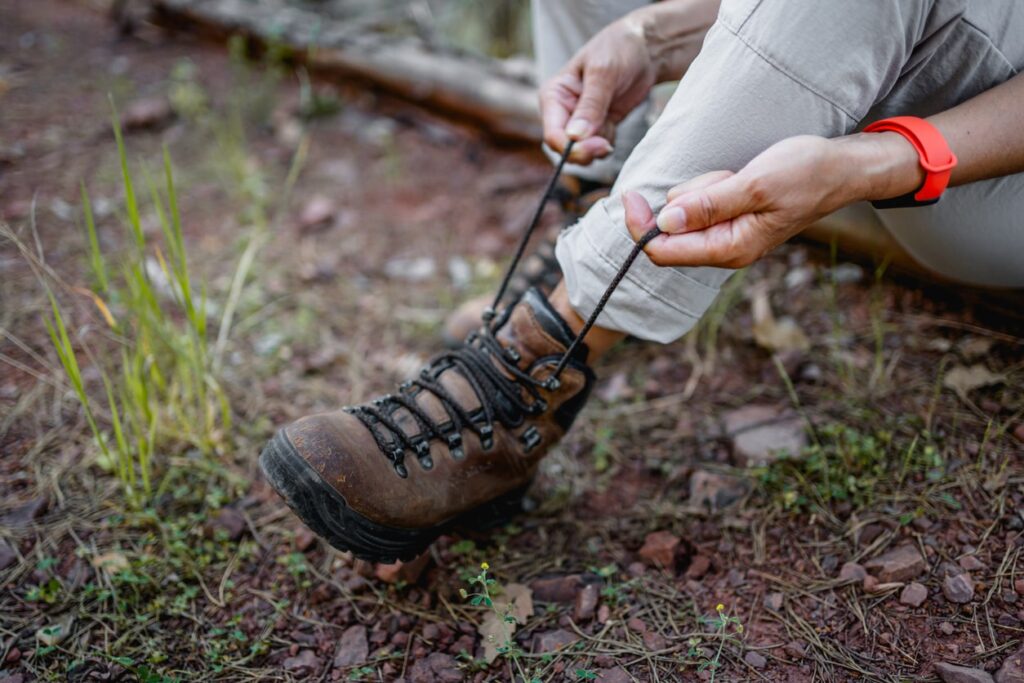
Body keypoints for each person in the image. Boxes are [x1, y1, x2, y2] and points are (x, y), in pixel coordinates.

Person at [260, 0, 1024, 563]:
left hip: (982, 175)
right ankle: (585, 243)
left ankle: (531, 368)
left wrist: (882, 161)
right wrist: (646, 37)